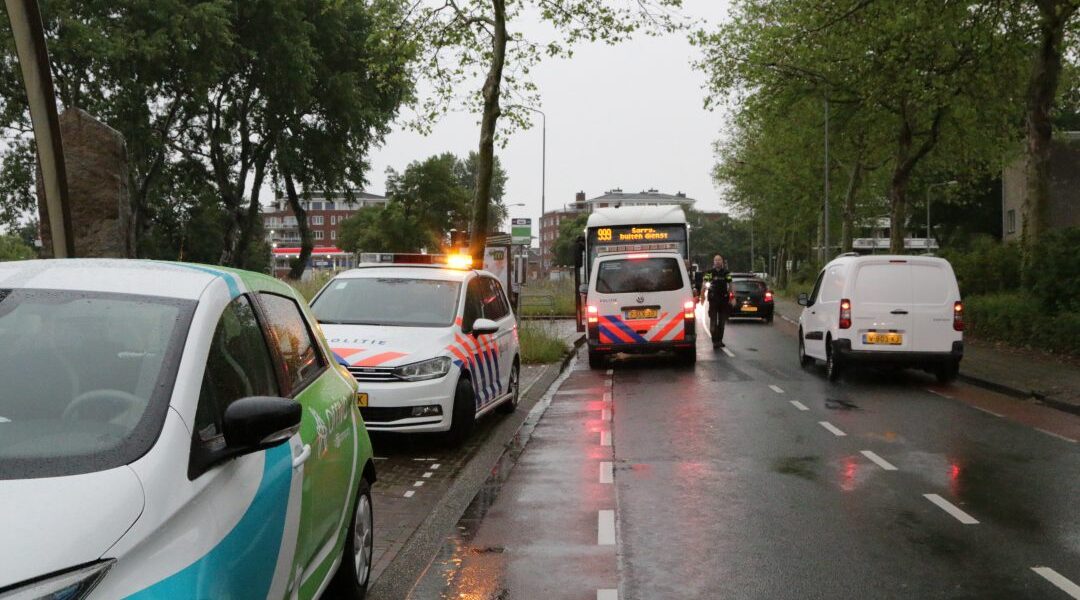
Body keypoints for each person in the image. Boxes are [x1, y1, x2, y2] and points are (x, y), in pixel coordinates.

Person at [697, 254, 733, 348]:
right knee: (713, 322)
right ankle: (714, 341)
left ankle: (720, 340)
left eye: (719, 260)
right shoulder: (710, 272)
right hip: (713, 301)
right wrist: (702, 295)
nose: (717, 262)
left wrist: (733, 297)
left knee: (721, 322)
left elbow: (731, 285)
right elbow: (704, 284)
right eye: (716, 260)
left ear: (722, 261)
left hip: (724, 301)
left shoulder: (726, 272)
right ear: (714, 262)